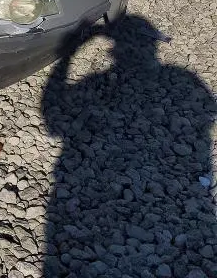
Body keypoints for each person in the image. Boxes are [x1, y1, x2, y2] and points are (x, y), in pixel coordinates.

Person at [42, 15, 217, 277]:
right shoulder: (184, 78)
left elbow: (52, 116)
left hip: (73, 185)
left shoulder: (96, 82)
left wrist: (70, 54)